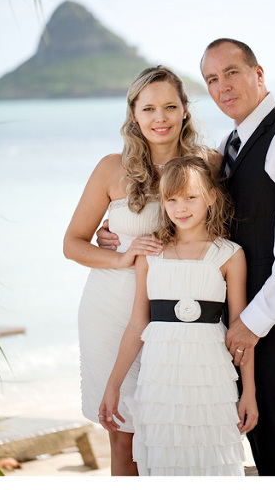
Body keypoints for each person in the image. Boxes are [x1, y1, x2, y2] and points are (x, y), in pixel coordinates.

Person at [98, 39, 275, 475]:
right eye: (212, 79)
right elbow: (198, 218)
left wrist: (252, 321)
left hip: (273, 315)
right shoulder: (230, 145)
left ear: (259, 73)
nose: (223, 86)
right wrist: (117, 230)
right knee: (260, 443)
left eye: (232, 72)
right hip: (236, 316)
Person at [64, 66, 217, 475]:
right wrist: (120, 256)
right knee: (123, 430)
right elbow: (72, 243)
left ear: (185, 110)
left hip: (177, 312)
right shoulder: (111, 169)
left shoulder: (211, 165)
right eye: (148, 108)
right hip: (111, 310)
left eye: (170, 106)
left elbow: (220, 238)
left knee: (178, 424)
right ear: (134, 114)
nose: (160, 117)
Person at [98, 156, 257, 475]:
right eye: (171, 199)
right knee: (164, 457)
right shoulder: (150, 255)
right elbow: (136, 325)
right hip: (160, 378)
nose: (181, 207)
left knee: (212, 458)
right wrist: (112, 385)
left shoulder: (229, 255)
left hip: (210, 377)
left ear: (211, 197)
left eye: (190, 197)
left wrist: (249, 393)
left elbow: (241, 333)